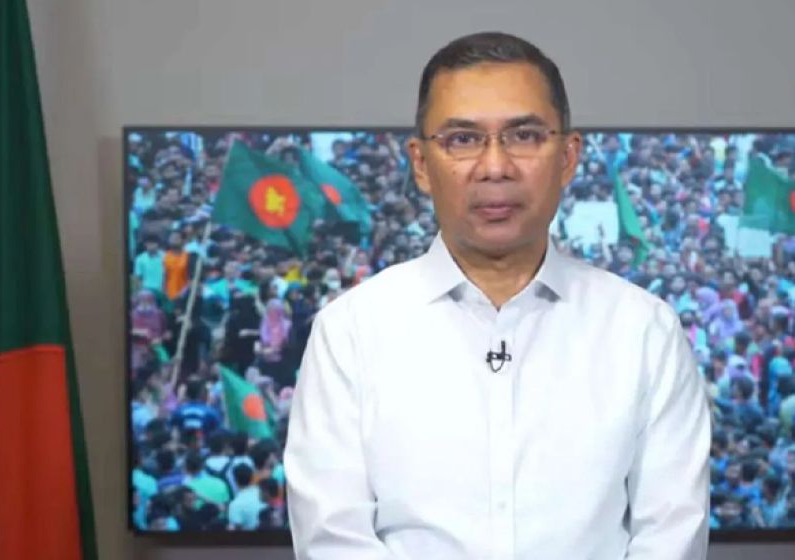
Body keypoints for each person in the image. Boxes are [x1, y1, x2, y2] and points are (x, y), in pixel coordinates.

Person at [285, 32, 710, 559]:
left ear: (568, 157)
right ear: (421, 164)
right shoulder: (351, 331)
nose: (495, 167)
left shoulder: (643, 330)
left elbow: (670, 536)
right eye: (463, 139)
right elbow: (333, 541)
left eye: (524, 135)